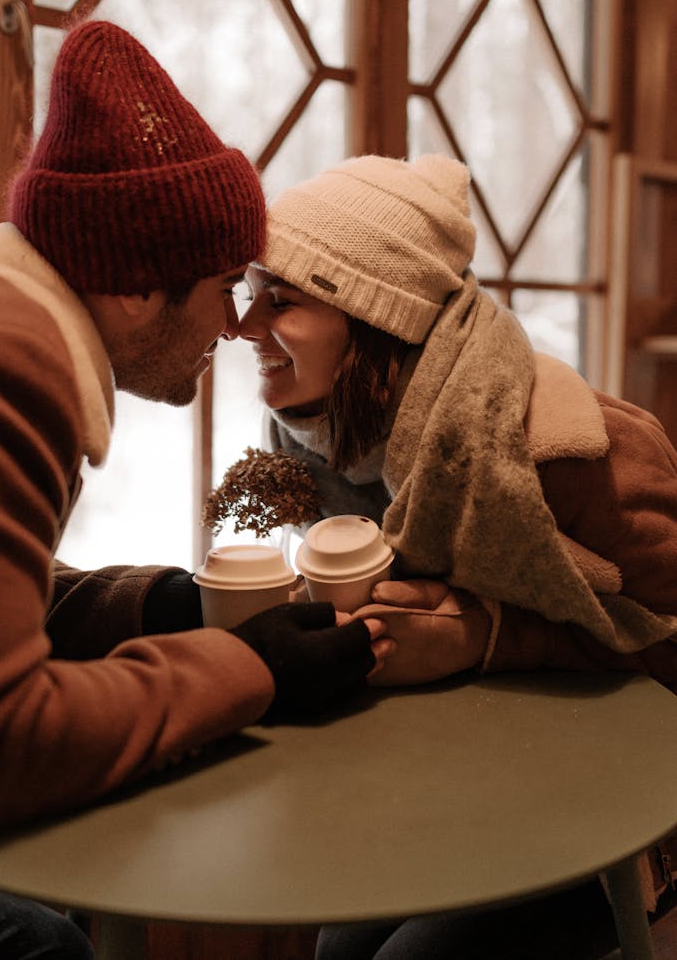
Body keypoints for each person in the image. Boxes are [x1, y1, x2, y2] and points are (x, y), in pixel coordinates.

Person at [0, 22, 391, 960]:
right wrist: (254, 673)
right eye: (223, 285)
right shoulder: (2, 363)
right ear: (138, 285)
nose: (231, 324)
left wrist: (170, 605)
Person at [238, 152, 677, 960]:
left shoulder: (580, 453)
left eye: (280, 299)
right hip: (461, 779)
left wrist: (488, 635)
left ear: (372, 314)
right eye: (248, 293)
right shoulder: (312, 443)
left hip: (621, 811)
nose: (242, 325)